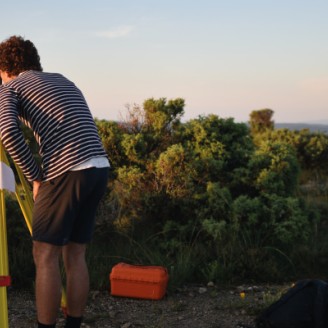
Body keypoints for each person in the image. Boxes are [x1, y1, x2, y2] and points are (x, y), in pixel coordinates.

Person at [0, 35, 110, 328]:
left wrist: (35, 176)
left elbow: (8, 133)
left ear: (4, 69)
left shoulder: (10, 86)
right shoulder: (61, 79)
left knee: (44, 254)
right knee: (75, 253)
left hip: (66, 169)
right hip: (98, 165)